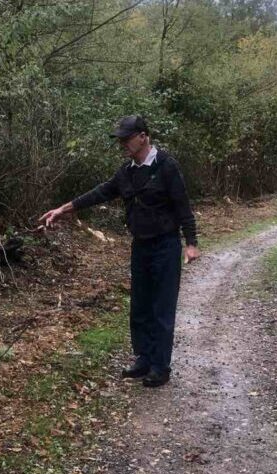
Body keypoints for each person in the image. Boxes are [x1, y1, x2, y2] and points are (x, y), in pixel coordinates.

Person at [39, 115, 200, 388]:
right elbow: (100, 193)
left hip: (165, 245)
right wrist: (62, 209)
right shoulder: (126, 172)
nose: (123, 144)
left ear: (143, 136)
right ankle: (144, 359)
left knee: (162, 307)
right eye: (120, 140)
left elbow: (182, 206)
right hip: (141, 245)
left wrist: (191, 243)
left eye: (127, 139)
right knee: (140, 305)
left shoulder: (167, 167)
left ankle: (160, 367)